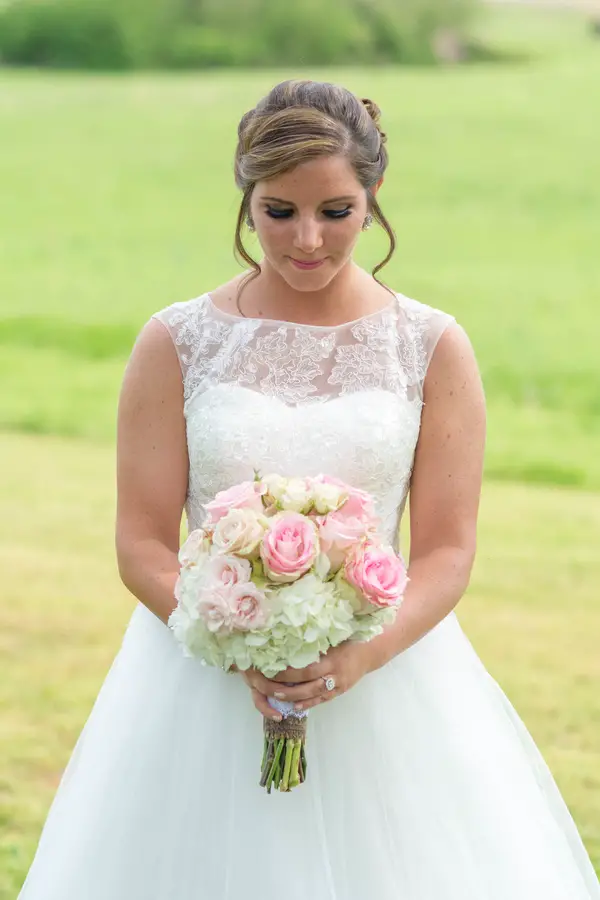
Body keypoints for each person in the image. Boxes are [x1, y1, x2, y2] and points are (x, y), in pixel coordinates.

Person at [17, 79, 600, 899]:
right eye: (278, 211)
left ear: (374, 198)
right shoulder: (176, 342)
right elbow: (141, 541)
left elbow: (447, 549)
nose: (306, 241)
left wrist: (356, 658)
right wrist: (228, 635)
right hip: (196, 684)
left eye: (335, 211)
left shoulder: (431, 346)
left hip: (384, 679)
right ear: (245, 198)